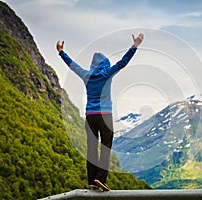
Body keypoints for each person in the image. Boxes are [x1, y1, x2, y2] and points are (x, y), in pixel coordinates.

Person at [56, 33, 144, 191]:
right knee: (106, 146)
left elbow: (73, 65)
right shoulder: (107, 73)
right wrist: (135, 46)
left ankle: (91, 181)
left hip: (90, 117)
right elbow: (123, 62)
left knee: (91, 148)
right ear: (105, 64)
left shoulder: (86, 75)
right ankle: (100, 179)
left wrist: (61, 52)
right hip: (104, 116)